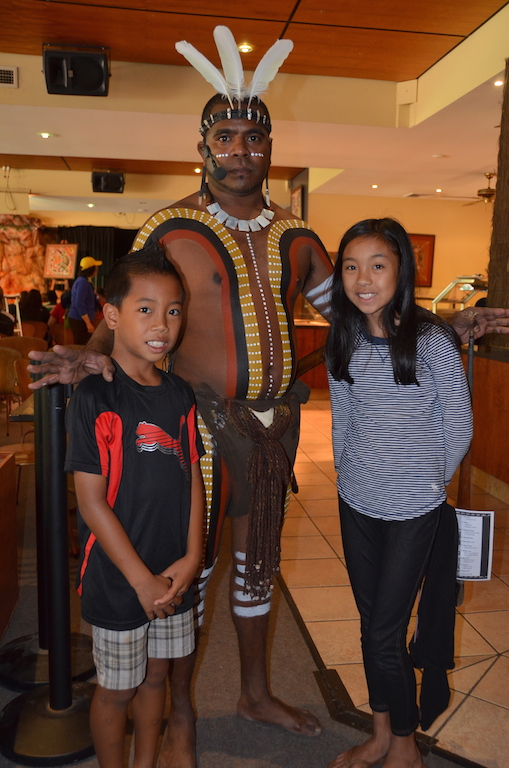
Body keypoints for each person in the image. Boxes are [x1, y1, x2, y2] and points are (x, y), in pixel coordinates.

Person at [27, 26, 509, 768]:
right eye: (226, 134)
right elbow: (132, 305)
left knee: (257, 566)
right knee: (193, 562)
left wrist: (443, 322)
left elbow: (360, 309)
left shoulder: (296, 235)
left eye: (256, 135)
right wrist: (89, 361)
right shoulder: (170, 228)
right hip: (194, 424)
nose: (242, 148)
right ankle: (179, 707)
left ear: (270, 147)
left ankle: (254, 691)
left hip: (271, 428)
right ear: (203, 146)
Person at [325, 219, 473, 768]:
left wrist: (426, 485)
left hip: (414, 508)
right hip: (357, 504)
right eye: (351, 267)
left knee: (386, 630)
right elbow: (343, 422)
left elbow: (458, 424)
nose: (364, 279)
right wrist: (349, 479)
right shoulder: (344, 338)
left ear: (400, 271)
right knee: (372, 624)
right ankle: (382, 731)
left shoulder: (431, 338)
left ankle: (405, 746)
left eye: (378, 265)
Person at [64, 245, 205, 768]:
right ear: (113, 315)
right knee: (118, 691)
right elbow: (91, 502)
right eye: (145, 309)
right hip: (121, 580)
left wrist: (192, 557)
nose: (162, 323)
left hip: (174, 572)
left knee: (157, 679)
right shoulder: (95, 398)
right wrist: (142, 581)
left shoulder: (179, 393)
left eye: (173, 310)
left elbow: (192, 476)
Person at [68, 256, 102, 344]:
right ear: (91, 269)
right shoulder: (82, 282)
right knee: (82, 347)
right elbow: (79, 303)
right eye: (95, 267)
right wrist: (88, 323)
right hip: (79, 320)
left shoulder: (85, 281)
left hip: (82, 320)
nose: (97, 269)